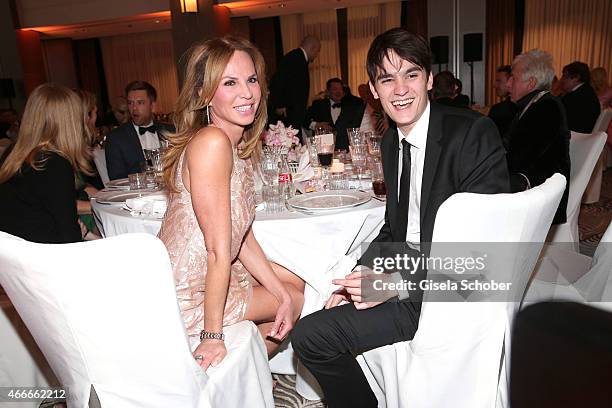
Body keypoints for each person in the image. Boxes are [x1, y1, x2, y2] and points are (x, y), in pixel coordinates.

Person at [291, 28, 510, 408]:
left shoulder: (472, 133)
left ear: (428, 79)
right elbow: (395, 228)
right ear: (373, 90)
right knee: (318, 297)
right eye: (387, 79)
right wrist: (358, 277)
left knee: (310, 337)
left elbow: (483, 254)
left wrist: (392, 282)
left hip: (449, 294)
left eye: (411, 74)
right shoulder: (392, 141)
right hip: (413, 266)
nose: (401, 89)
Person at [158, 36, 304, 371]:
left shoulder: (235, 144)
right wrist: (212, 334)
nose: (247, 93)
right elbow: (217, 250)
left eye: (251, 80)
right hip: (187, 290)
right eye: (230, 83)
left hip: (213, 269)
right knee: (296, 297)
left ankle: (243, 373)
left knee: (294, 282)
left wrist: (279, 293)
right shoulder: (212, 142)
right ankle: (223, 378)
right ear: (204, 94)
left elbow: (242, 235)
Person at [0, 84, 93, 243]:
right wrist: (79, 232)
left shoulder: (12, 155)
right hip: (44, 258)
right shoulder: (54, 164)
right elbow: (69, 238)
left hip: (12, 259)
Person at [505, 49, 570, 224]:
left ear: (531, 83)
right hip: (533, 183)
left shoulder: (546, 108)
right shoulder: (537, 104)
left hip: (539, 193)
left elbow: (519, 158)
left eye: (513, 78)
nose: (508, 84)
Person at [104, 81, 175, 180]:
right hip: (137, 194)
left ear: (153, 106)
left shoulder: (172, 131)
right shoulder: (116, 138)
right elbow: (116, 179)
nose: (134, 108)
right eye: (130, 103)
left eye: (140, 102)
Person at [268, 36, 321, 139]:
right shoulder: (295, 58)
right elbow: (278, 81)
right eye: (317, 51)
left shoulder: (297, 57)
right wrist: (279, 104)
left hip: (292, 112)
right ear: (313, 48)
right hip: (288, 113)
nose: (317, 55)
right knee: (290, 143)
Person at [305, 77, 364, 151]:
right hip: (324, 148)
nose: (338, 92)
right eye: (335, 89)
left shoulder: (350, 106)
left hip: (345, 149)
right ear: (327, 92)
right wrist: (317, 125)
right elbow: (304, 120)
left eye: (340, 89)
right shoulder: (319, 105)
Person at [560, 61, 601, 133]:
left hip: (573, 137)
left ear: (576, 78)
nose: (562, 80)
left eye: (565, 76)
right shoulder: (588, 92)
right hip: (582, 136)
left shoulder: (575, 97)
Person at [488, 65, 518, 141]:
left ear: (511, 82)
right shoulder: (526, 106)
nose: (494, 85)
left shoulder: (498, 110)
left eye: (499, 81)